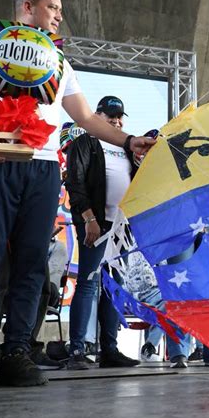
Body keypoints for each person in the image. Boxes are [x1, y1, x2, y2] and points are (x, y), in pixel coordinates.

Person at [0, 0, 155, 389]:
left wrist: (129, 140)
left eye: (60, 8)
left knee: (31, 266)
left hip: (41, 168)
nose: (59, 15)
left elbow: (87, 118)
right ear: (26, 7)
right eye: (53, 6)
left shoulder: (60, 61)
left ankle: (17, 354)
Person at [65, 96, 144, 370]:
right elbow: (75, 183)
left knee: (114, 287)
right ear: (96, 116)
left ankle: (109, 349)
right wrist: (88, 218)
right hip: (96, 225)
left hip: (121, 229)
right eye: (111, 115)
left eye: (121, 116)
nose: (117, 120)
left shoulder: (127, 149)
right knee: (88, 283)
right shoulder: (85, 142)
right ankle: (78, 348)